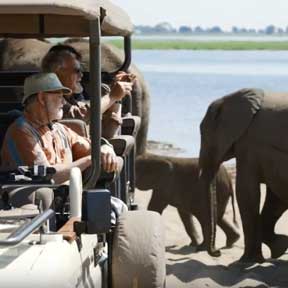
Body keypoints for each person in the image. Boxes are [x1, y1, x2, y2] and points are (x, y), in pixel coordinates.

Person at [1, 73, 121, 209]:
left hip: (65, 202)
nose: (64, 102)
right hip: (33, 208)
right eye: (59, 97)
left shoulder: (59, 129)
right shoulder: (21, 131)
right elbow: (47, 177)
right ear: (41, 98)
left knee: (113, 207)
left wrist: (105, 148)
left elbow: (90, 147)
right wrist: (90, 159)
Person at [41, 44, 135, 138]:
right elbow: (80, 117)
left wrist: (117, 98)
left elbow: (109, 133)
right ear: (57, 72)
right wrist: (112, 96)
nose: (81, 75)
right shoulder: (48, 98)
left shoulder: (71, 101)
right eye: (77, 71)